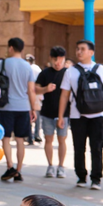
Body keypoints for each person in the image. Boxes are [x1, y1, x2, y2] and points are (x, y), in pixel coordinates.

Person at [57, 40, 103, 190]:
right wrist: (61, 116)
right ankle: (81, 176)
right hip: (77, 116)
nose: (79, 52)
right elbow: (64, 95)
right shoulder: (70, 71)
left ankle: (96, 178)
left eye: (82, 49)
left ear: (91, 52)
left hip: (98, 115)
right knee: (79, 148)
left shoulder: (101, 70)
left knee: (97, 148)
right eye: (77, 49)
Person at [0, 38, 37, 183]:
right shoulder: (27, 66)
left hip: (6, 106)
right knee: (20, 140)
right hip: (23, 107)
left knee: (6, 138)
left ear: (11, 48)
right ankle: (19, 171)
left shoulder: (2, 64)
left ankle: (10, 167)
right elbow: (31, 90)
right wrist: (33, 108)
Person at [35, 46, 68, 178]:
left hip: (65, 113)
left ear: (64, 59)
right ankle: (50, 165)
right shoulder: (45, 73)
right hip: (47, 112)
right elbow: (36, 89)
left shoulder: (68, 73)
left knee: (62, 139)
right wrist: (45, 89)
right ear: (50, 59)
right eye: (55, 59)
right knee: (48, 139)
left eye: (60, 59)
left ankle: (61, 166)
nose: (58, 62)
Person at [26, 54, 42, 144]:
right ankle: (36, 134)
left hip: (27, 94)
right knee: (37, 116)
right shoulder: (37, 69)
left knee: (29, 116)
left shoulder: (26, 68)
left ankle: (29, 136)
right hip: (36, 94)